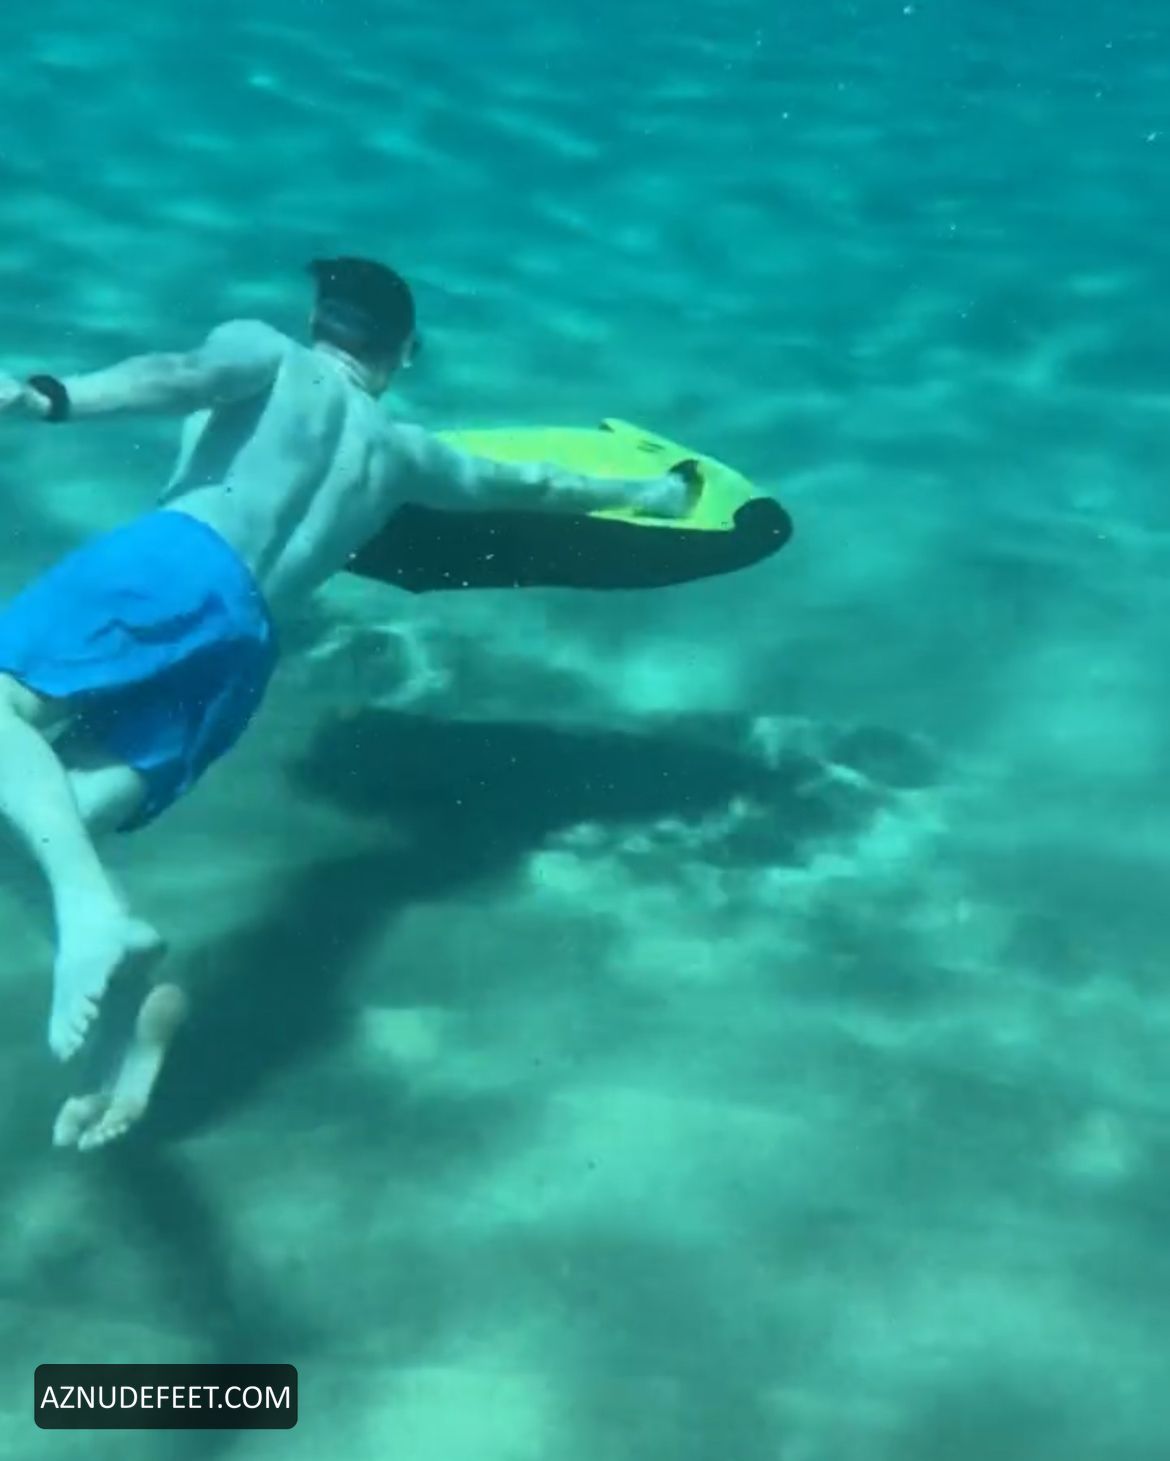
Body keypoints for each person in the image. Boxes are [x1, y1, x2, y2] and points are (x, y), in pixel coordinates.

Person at [0, 256, 699, 1154]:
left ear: (317, 322)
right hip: (245, 645)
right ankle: (131, 1017)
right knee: (39, 815)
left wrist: (45, 398)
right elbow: (535, 485)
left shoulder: (268, 352)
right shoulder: (404, 454)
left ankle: (91, 915)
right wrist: (651, 493)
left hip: (175, 561)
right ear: (402, 354)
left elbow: (179, 376)